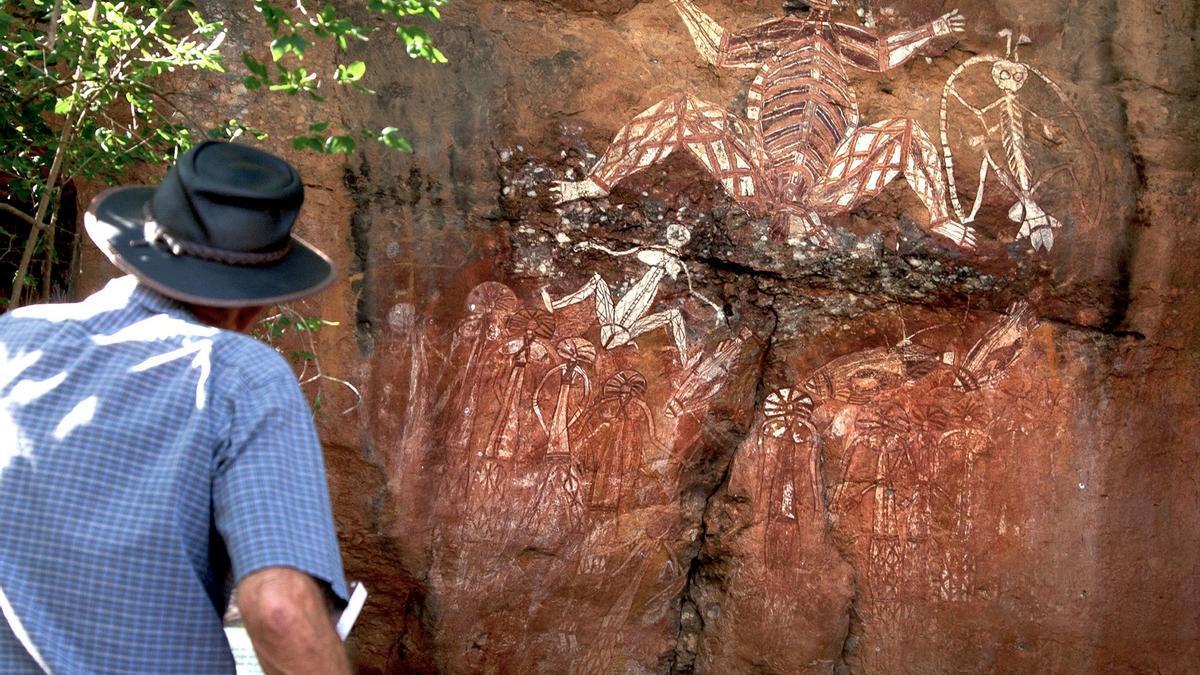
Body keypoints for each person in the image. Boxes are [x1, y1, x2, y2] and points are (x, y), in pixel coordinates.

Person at [0, 141, 351, 673]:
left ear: (138, 244)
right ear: (257, 299)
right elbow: (280, 609)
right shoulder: (240, 376)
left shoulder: (14, 339)